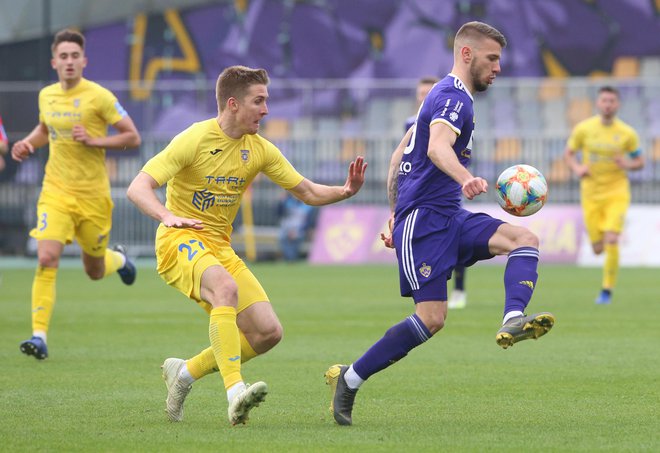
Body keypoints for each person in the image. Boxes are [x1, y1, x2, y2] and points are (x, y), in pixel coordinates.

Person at [325, 21, 555, 426]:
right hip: (427, 222)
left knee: (524, 239)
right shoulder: (453, 98)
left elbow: (401, 155)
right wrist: (461, 180)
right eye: (492, 58)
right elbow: (435, 148)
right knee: (432, 318)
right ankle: (350, 378)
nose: (498, 67)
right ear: (467, 54)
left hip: (448, 216)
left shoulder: (445, 94)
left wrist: (394, 211)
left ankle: (512, 319)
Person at [126, 65, 366, 426]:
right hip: (179, 239)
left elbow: (307, 191)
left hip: (219, 246)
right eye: (260, 101)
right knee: (225, 287)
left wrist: (345, 191)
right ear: (234, 104)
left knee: (268, 333)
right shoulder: (194, 138)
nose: (266, 109)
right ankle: (234, 391)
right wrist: (165, 216)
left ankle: (185, 374)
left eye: (266, 100)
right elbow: (138, 187)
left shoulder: (259, 149)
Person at [11, 29, 140, 360]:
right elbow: (44, 129)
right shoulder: (47, 96)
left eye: (74, 56)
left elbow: (133, 137)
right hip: (55, 191)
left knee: (94, 271)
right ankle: (39, 336)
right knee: (46, 257)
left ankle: (120, 260)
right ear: (54, 62)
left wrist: (95, 140)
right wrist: (28, 143)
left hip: (93, 196)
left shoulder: (100, 97)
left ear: (84, 61)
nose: (69, 62)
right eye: (63, 57)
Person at [564, 86, 644, 305]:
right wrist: (578, 169)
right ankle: (601, 252)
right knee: (598, 248)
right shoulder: (584, 129)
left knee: (612, 239)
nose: (608, 105)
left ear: (617, 104)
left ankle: (607, 290)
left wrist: (626, 163)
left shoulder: (627, 133)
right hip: (590, 193)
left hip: (617, 192)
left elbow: (640, 161)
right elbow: (569, 154)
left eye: (612, 101)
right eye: (604, 101)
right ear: (598, 104)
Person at [405, 76, 468, 309]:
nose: (424, 98)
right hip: (419, 196)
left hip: (446, 191)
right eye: (421, 94)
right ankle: (426, 293)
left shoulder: (450, 117)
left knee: (457, 240)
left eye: (427, 94)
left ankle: (459, 290)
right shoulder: (411, 123)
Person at [278, 192, 315, 261]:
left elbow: (308, 223)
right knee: (282, 238)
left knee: (295, 244)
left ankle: (291, 259)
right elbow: (279, 213)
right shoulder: (288, 202)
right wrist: (281, 202)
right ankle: (288, 258)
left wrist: (297, 231)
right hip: (286, 230)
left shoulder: (307, 207)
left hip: (299, 231)